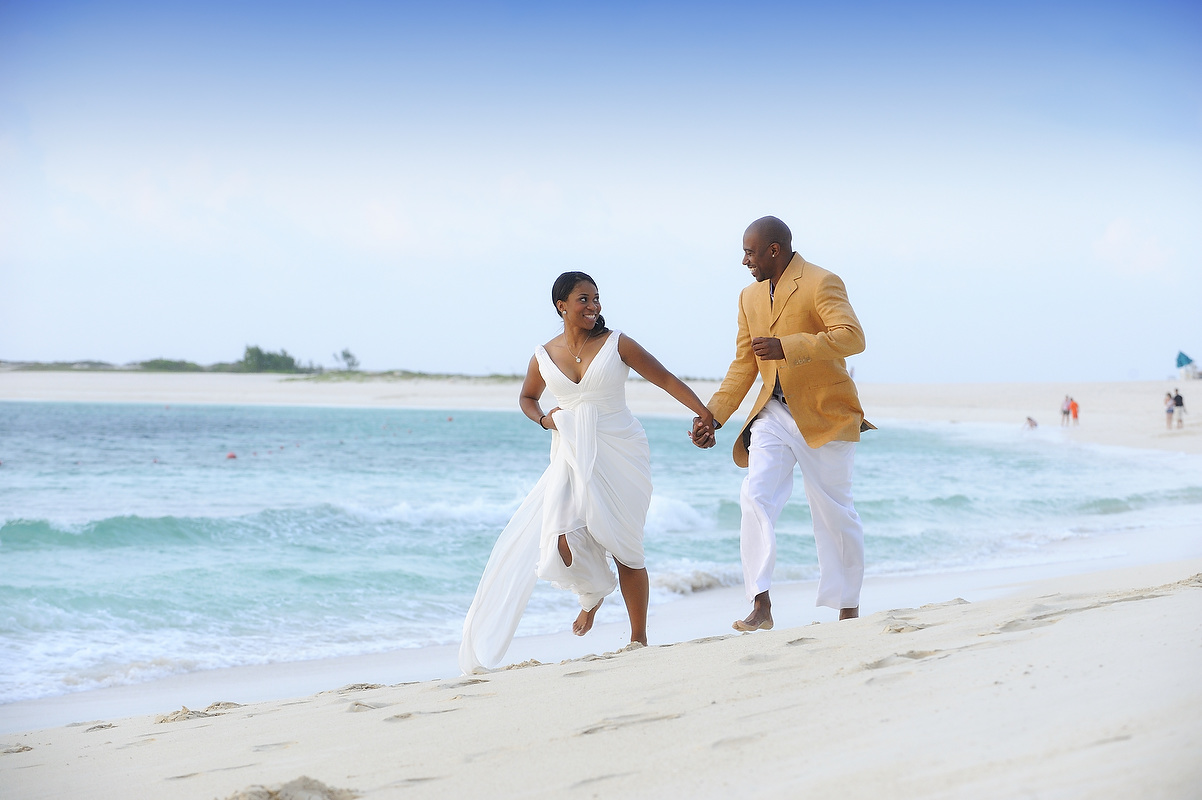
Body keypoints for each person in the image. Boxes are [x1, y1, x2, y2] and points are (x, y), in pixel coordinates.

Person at [459, 271, 715, 673]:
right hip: (570, 451)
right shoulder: (543, 355)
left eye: (596, 298)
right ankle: (593, 592)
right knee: (561, 537)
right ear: (561, 306)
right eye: (583, 299)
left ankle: (638, 638)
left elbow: (665, 378)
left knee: (626, 546)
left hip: (622, 451)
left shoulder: (617, 344)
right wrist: (544, 420)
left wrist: (705, 414)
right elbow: (527, 397)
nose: (593, 306)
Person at [691, 216, 871, 632]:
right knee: (755, 495)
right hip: (772, 414)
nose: (744, 261)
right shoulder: (748, 297)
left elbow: (852, 337)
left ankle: (847, 607)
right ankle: (761, 603)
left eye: (749, 252)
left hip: (825, 415)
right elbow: (744, 364)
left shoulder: (821, 282)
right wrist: (713, 415)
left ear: (774, 250)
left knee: (834, 513)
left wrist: (787, 347)